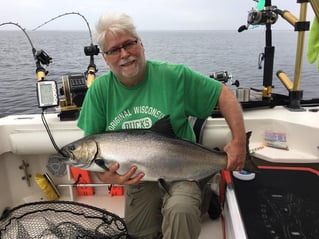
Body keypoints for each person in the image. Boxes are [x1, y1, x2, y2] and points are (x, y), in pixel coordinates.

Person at [77, 12, 246, 239]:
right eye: (114, 50)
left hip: (183, 173)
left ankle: (202, 197)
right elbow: (95, 154)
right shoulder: (99, 91)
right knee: (138, 233)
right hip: (138, 179)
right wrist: (106, 177)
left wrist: (239, 142)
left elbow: (223, 94)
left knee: (181, 211)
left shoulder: (174, 76)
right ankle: (203, 200)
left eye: (129, 44)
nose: (124, 54)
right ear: (105, 58)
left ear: (141, 44)